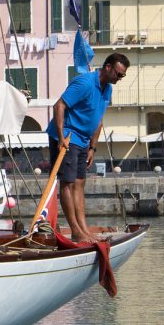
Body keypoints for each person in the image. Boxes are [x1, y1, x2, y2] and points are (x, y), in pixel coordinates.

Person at [47, 52, 129, 242]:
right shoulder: (84, 83)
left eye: (122, 75)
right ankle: (76, 231)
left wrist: (92, 148)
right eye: (118, 74)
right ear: (108, 67)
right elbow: (59, 106)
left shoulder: (107, 88)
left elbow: (98, 120)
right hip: (68, 136)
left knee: (79, 183)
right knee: (67, 183)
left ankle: (83, 229)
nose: (120, 78)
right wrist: (60, 138)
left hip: (84, 141)